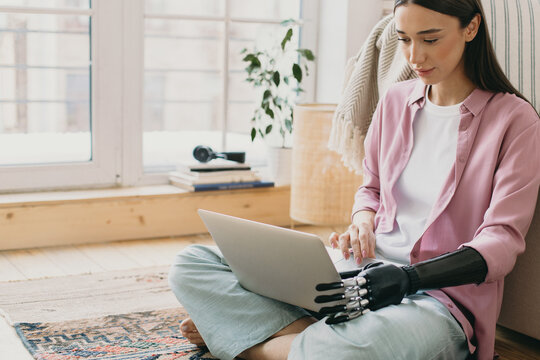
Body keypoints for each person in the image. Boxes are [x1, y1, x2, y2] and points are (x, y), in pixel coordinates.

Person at [168, 1, 540, 359]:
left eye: (430, 39)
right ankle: (303, 335)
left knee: (343, 353)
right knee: (193, 263)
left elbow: (501, 242)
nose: (414, 57)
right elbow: (372, 188)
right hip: (360, 273)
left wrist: (408, 279)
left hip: (438, 301)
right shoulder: (395, 100)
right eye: (404, 39)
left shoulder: (515, 120)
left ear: (471, 28)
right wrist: (363, 220)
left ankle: (247, 340)